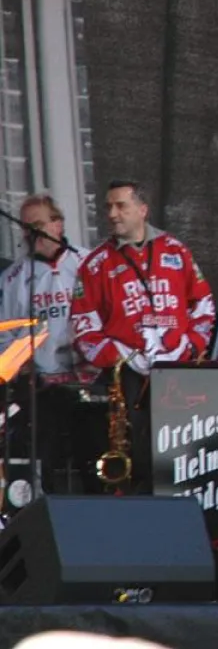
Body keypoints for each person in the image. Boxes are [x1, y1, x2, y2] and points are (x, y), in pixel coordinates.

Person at [71, 179, 215, 492]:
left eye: (120, 205)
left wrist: (191, 345)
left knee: (181, 454)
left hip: (178, 369)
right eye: (108, 206)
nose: (112, 213)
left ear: (142, 209)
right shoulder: (94, 264)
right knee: (135, 456)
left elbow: (203, 304)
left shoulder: (177, 251)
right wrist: (117, 356)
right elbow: (83, 323)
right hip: (128, 378)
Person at [0, 194, 84, 494]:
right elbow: (5, 336)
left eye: (38, 224)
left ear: (58, 224)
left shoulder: (88, 263)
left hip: (90, 384)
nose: (31, 233)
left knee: (90, 452)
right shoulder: (12, 279)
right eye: (26, 227)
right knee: (44, 456)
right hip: (41, 389)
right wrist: (25, 369)